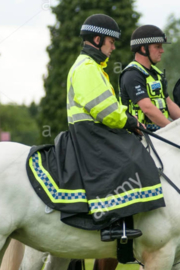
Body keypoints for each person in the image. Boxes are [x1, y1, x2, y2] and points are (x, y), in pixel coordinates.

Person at [65, 14, 165, 243]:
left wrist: (127, 118)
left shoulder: (94, 67)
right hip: (91, 133)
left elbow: (110, 106)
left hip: (95, 130)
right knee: (130, 159)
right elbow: (103, 108)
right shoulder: (87, 67)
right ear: (98, 39)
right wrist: (129, 121)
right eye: (111, 42)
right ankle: (114, 223)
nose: (113, 47)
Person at [119, 24, 180, 132]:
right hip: (138, 138)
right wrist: (173, 131)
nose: (162, 50)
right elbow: (147, 108)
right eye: (157, 47)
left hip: (159, 134)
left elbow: (169, 104)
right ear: (143, 48)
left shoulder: (156, 74)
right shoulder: (132, 74)